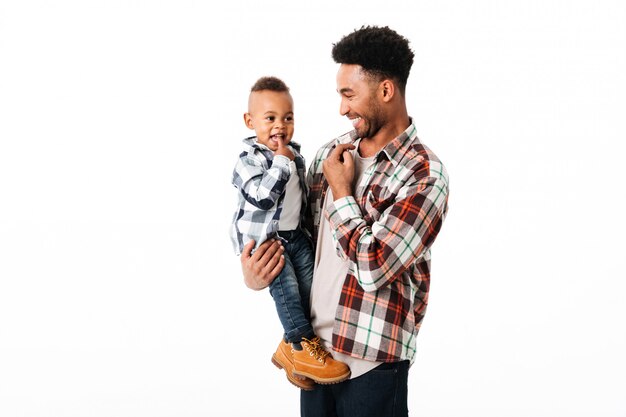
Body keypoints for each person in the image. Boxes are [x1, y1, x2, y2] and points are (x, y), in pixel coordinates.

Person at [240, 26, 450, 417]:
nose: (341, 108)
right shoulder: (327, 155)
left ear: (386, 91)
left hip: (374, 363)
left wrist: (342, 193)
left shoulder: (424, 175)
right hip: (316, 360)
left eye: (348, 94)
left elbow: (373, 267)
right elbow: (294, 239)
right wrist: (257, 273)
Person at [230, 76, 351, 391]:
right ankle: (305, 348)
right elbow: (262, 197)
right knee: (287, 294)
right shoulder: (248, 161)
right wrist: (281, 164)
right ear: (250, 121)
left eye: (287, 118)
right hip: (266, 244)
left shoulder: (296, 154)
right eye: (270, 118)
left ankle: (288, 347)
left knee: (310, 294)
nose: (279, 126)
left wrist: (290, 159)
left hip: (295, 237)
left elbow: (303, 202)